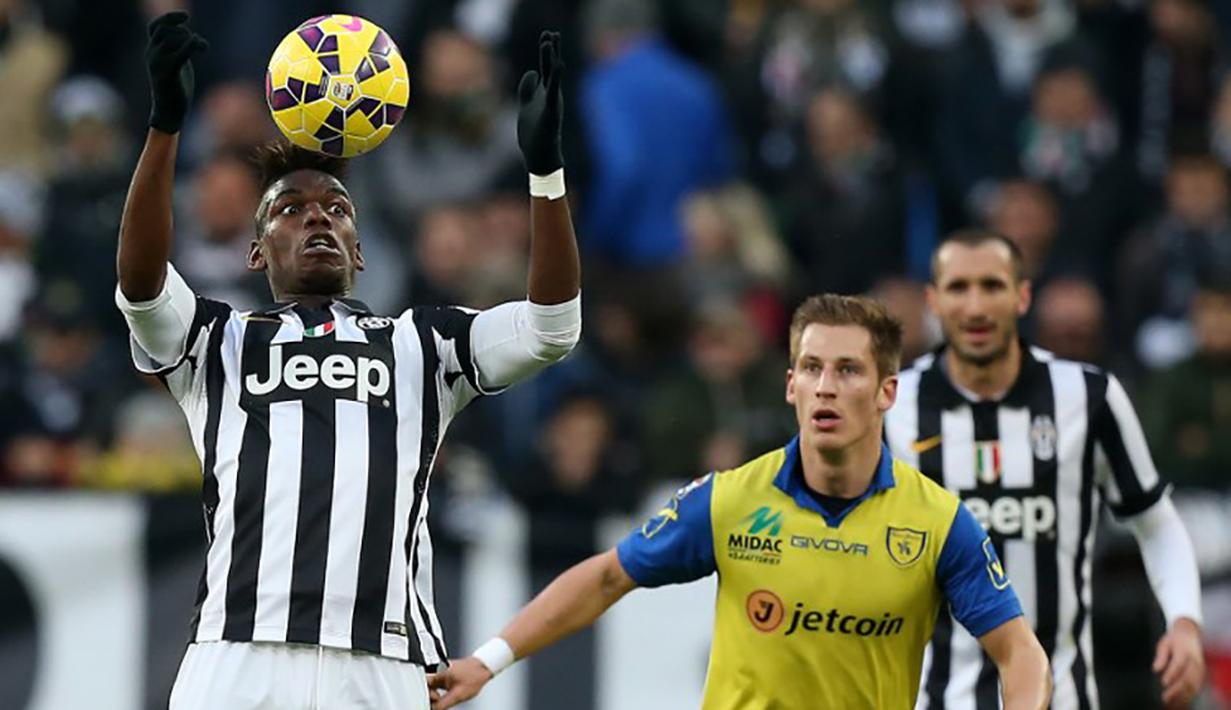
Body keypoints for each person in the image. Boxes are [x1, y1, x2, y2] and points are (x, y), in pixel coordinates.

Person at [114, 13, 581, 710]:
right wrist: (165, 128)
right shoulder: (218, 340)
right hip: (237, 657)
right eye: (289, 209)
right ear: (255, 252)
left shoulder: (423, 343)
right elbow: (140, 285)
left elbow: (553, 327)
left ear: (359, 250)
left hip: (381, 665)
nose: (317, 217)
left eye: (337, 207)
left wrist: (544, 176)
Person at [427, 295, 1052, 709]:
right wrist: (487, 660)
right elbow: (608, 576)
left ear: (887, 391)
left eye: (848, 371)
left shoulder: (937, 522)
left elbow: (1019, 650)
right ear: (790, 385)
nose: (826, 388)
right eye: (811, 368)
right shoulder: (730, 500)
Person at [885, 229, 1205, 709]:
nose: (975, 306)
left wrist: (1184, 620)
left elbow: (1155, 521)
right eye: (958, 288)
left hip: (1062, 696)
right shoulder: (891, 405)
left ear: (1022, 295)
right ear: (933, 301)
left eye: (992, 286)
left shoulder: (1088, 396)